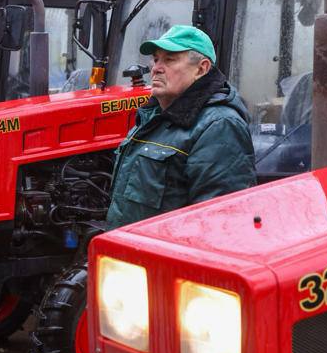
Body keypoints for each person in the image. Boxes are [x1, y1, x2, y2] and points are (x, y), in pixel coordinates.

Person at [105, 24, 255, 229]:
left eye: (170, 59)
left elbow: (219, 222)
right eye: (156, 59)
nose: (156, 68)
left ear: (201, 68)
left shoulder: (219, 126)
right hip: (132, 253)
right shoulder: (153, 116)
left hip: (163, 257)